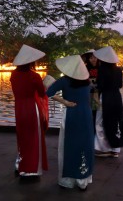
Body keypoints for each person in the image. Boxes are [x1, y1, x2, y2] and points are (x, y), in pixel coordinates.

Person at [46, 55, 94, 191]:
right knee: (85, 144)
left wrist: (64, 102)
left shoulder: (64, 81)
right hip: (86, 114)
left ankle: (68, 180)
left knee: (69, 145)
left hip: (71, 114)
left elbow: (48, 93)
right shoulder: (86, 81)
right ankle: (83, 180)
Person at [10, 44, 48, 178]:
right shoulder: (34, 76)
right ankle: (32, 169)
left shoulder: (13, 75)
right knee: (34, 138)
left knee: (22, 137)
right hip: (32, 108)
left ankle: (20, 165)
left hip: (19, 108)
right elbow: (42, 92)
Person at [93, 46, 123, 158]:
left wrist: (93, 86)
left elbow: (100, 86)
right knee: (115, 122)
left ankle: (104, 148)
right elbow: (120, 85)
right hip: (117, 97)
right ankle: (115, 149)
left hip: (105, 98)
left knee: (100, 123)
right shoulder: (119, 70)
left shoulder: (102, 70)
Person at [81, 49, 99, 133]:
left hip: (99, 92)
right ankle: (90, 129)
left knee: (97, 112)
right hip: (88, 92)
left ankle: (95, 130)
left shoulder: (101, 68)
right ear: (88, 59)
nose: (93, 59)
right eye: (91, 58)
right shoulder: (85, 68)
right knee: (90, 111)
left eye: (95, 57)